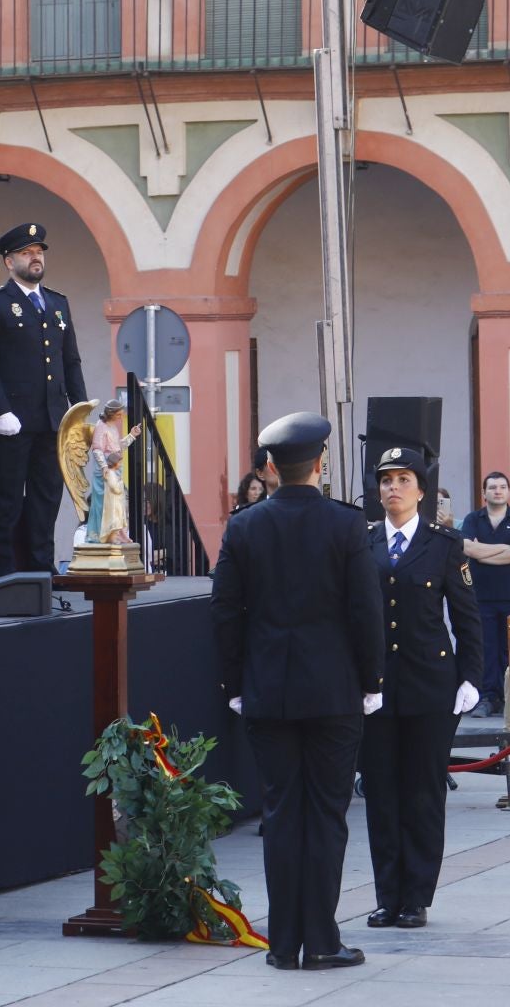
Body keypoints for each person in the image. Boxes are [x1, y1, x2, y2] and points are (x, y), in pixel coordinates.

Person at [212, 412, 383, 972]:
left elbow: (226, 614)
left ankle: (284, 943)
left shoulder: (244, 526)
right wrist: (372, 680)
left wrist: (234, 684)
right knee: (327, 816)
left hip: (268, 692)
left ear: (270, 468)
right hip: (334, 692)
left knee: (282, 814)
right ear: (320, 463)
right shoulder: (346, 524)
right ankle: (323, 939)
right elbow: (365, 611)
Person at [360, 446, 479, 931]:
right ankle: (388, 895)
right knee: (381, 794)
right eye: (386, 480)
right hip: (376, 689)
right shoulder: (362, 541)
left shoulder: (444, 543)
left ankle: (416, 896)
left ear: (421, 490)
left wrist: (471, 676)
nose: (392, 488)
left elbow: (467, 617)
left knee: (423, 794)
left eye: (403, 479)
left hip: (430, 686)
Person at [0, 223, 88, 578]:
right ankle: (3, 570)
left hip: (53, 418)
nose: (35, 257)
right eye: (26, 252)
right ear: (9, 262)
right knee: (7, 496)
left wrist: (79, 411)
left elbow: (71, 361)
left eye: (39, 251)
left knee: (47, 496)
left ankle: (40, 565)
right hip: (15, 418)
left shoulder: (57, 302)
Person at [459, 471, 510, 717]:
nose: (498, 491)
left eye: (502, 487)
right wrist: (504, 548)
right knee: (487, 650)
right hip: (481, 596)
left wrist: (484, 553)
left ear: (509, 491)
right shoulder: (473, 518)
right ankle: (488, 698)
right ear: (484, 493)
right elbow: (467, 547)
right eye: (492, 487)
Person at [83, 400, 140, 545]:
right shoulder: (100, 426)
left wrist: (131, 436)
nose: (121, 417)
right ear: (112, 414)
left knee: (118, 503)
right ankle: (104, 535)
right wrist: (104, 468)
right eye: (119, 414)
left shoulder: (113, 427)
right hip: (106, 471)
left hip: (115, 467)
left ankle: (119, 533)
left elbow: (117, 447)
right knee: (105, 504)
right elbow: (97, 449)